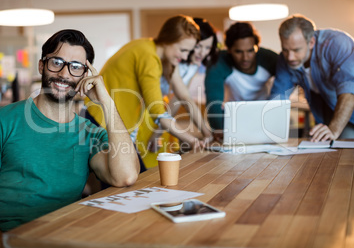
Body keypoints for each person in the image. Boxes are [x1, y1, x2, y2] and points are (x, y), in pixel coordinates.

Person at [0, 29, 140, 248]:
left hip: (62, 242)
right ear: (41, 66)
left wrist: (107, 102)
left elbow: (126, 176)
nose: (64, 74)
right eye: (57, 62)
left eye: (76, 67)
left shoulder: (90, 132)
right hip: (7, 242)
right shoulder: (0, 121)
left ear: (85, 76)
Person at [85, 15, 213, 168]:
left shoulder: (151, 50)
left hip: (117, 123)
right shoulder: (149, 57)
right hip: (101, 120)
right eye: (183, 50)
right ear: (169, 40)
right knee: (127, 180)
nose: (185, 56)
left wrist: (206, 133)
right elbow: (158, 113)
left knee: (134, 177)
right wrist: (193, 141)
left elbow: (184, 96)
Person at [137, 17, 219, 168]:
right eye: (199, 47)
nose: (203, 53)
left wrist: (206, 132)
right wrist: (157, 132)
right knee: (146, 164)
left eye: (208, 48)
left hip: (162, 113)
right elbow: (177, 99)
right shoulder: (173, 61)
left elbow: (183, 98)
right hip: (146, 111)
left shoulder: (192, 65)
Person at [271, 14, 354, 141]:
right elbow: (278, 98)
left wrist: (334, 129)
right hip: (326, 109)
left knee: (349, 146)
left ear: (311, 42)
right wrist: (268, 132)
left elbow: (350, 89)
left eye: (296, 50)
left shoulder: (337, 43)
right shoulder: (284, 59)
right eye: (285, 50)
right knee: (324, 145)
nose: (290, 57)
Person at [205, 22, 278, 142]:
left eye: (250, 50)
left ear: (257, 47)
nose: (245, 57)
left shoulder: (269, 58)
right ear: (228, 50)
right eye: (238, 52)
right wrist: (218, 128)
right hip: (235, 119)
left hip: (265, 115)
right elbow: (213, 99)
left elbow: (289, 77)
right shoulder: (219, 62)